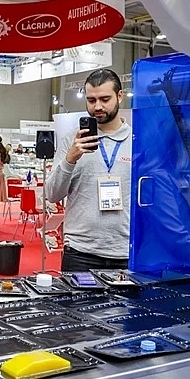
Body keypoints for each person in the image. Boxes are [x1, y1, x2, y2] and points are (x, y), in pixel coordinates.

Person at [45, 68, 132, 272]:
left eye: (104, 99)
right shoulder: (71, 139)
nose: (97, 106)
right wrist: (70, 159)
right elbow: (52, 194)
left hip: (126, 250)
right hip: (80, 250)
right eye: (91, 100)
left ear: (119, 96)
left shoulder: (137, 140)